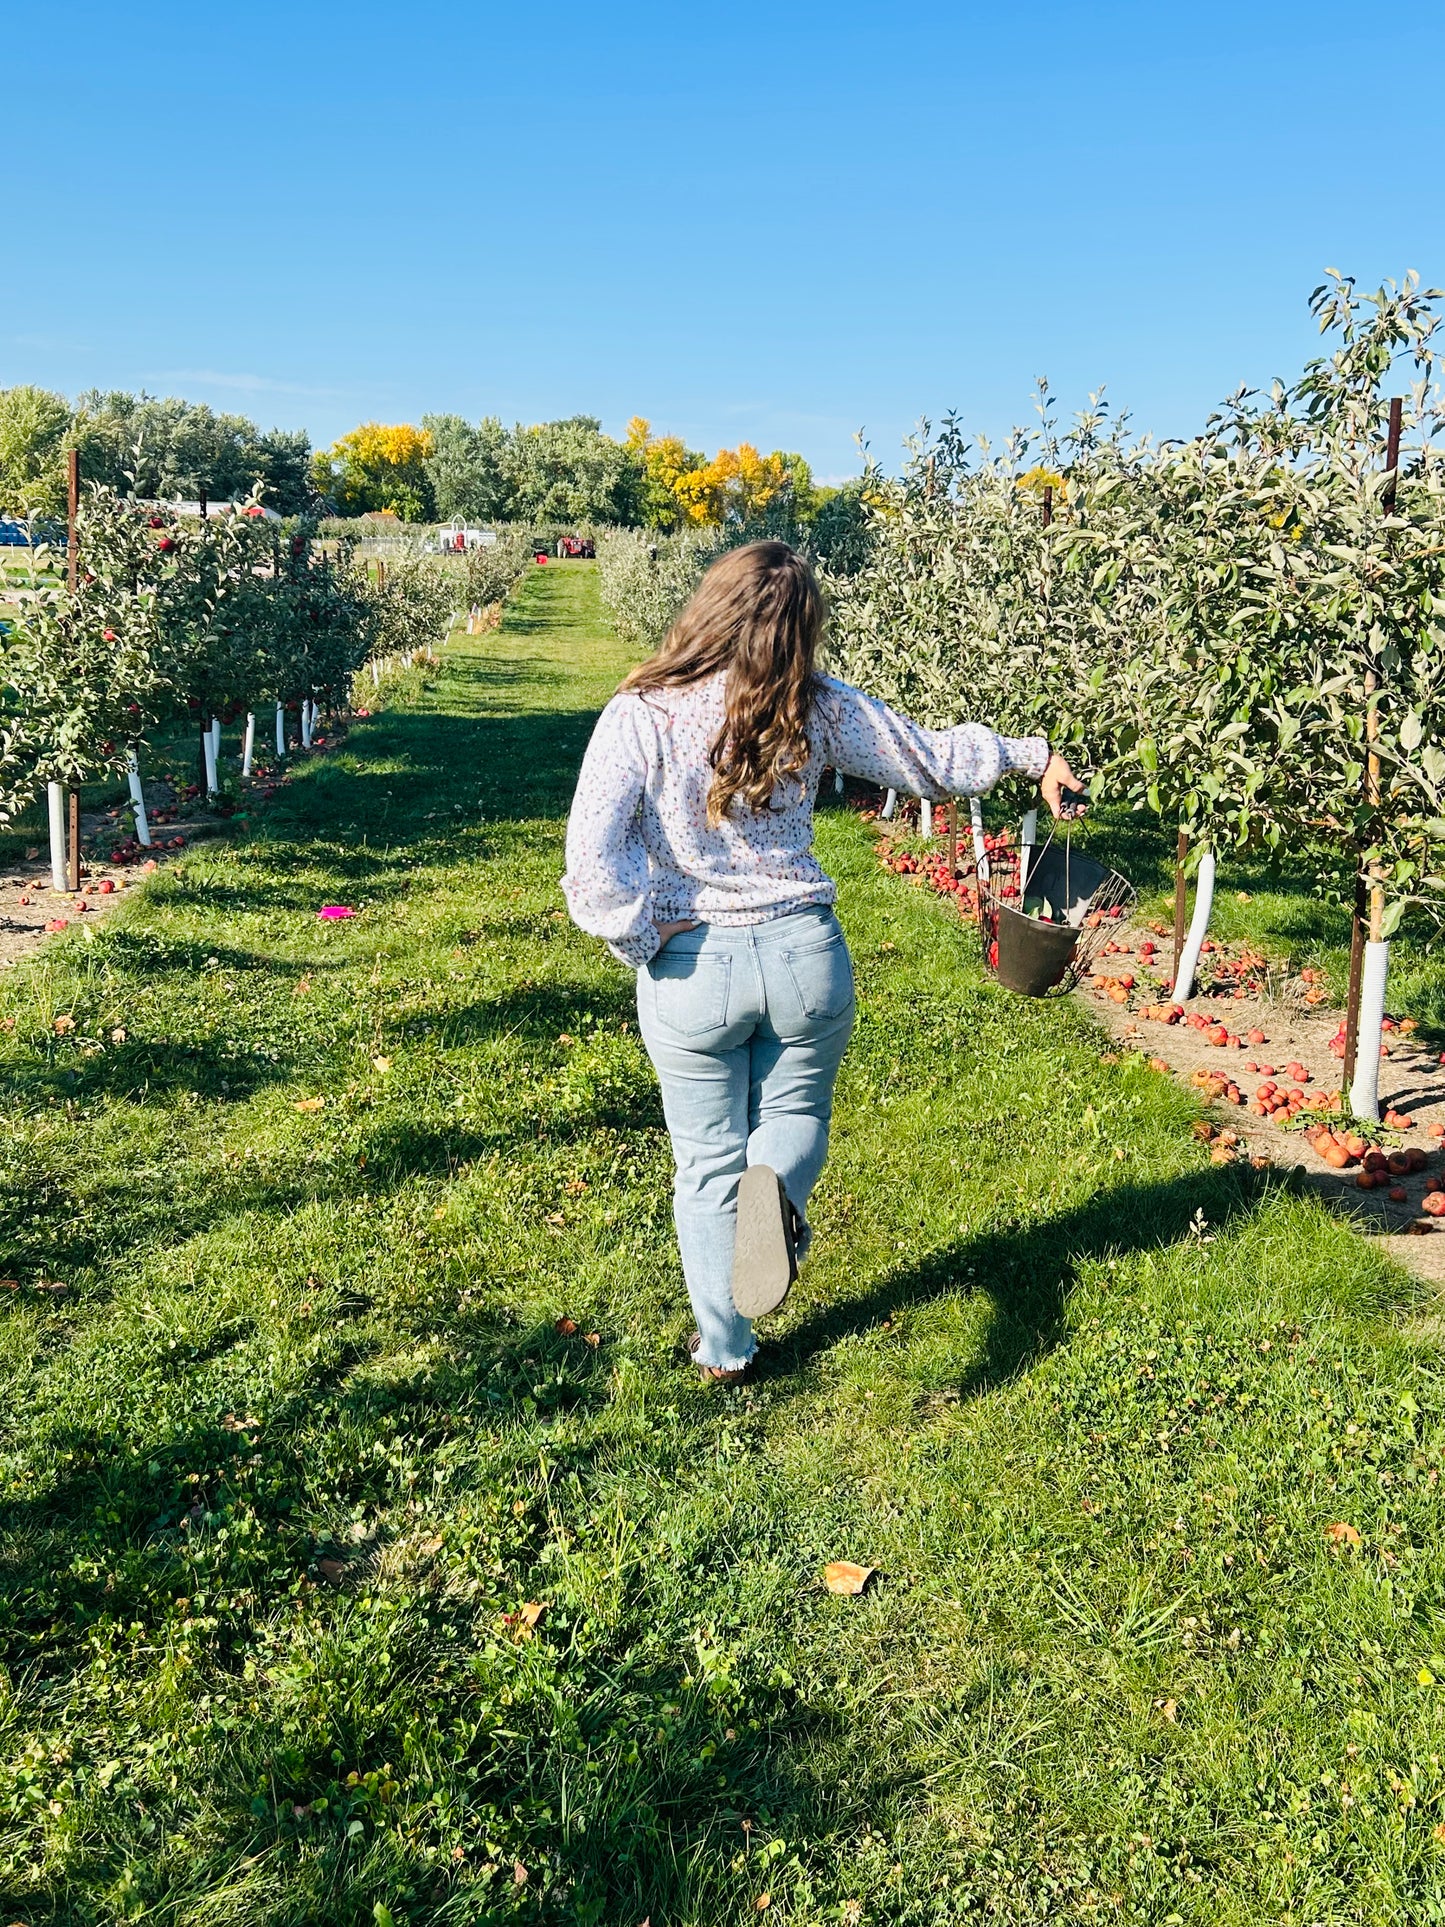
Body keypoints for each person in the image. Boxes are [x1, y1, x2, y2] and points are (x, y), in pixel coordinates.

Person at [562, 541, 1084, 1383]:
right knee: (795, 1113)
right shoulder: (814, 705)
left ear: (710, 606)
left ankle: (726, 1349)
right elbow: (928, 761)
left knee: (704, 1162)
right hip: (804, 953)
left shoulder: (643, 713)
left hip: (691, 961)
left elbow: (591, 861)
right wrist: (1032, 754)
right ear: (800, 630)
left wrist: (636, 934)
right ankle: (776, 1180)